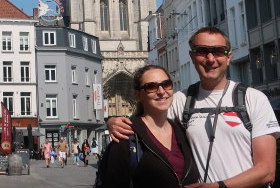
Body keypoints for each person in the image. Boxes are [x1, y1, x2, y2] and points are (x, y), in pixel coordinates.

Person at [109, 27, 280, 188]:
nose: (211, 59)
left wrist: (219, 186)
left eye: (218, 51)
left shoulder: (253, 99)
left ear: (229, 57)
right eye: (202, 51)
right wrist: (114, 121)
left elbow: (266, 171)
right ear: (192, 57)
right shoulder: (179, 101)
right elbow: (147, 120)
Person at [98, 65, 200, 188]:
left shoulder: (185, 132)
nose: (161, 91)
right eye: (151, 87)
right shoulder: (126, 137)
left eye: (166, 84)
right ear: (138, 95)